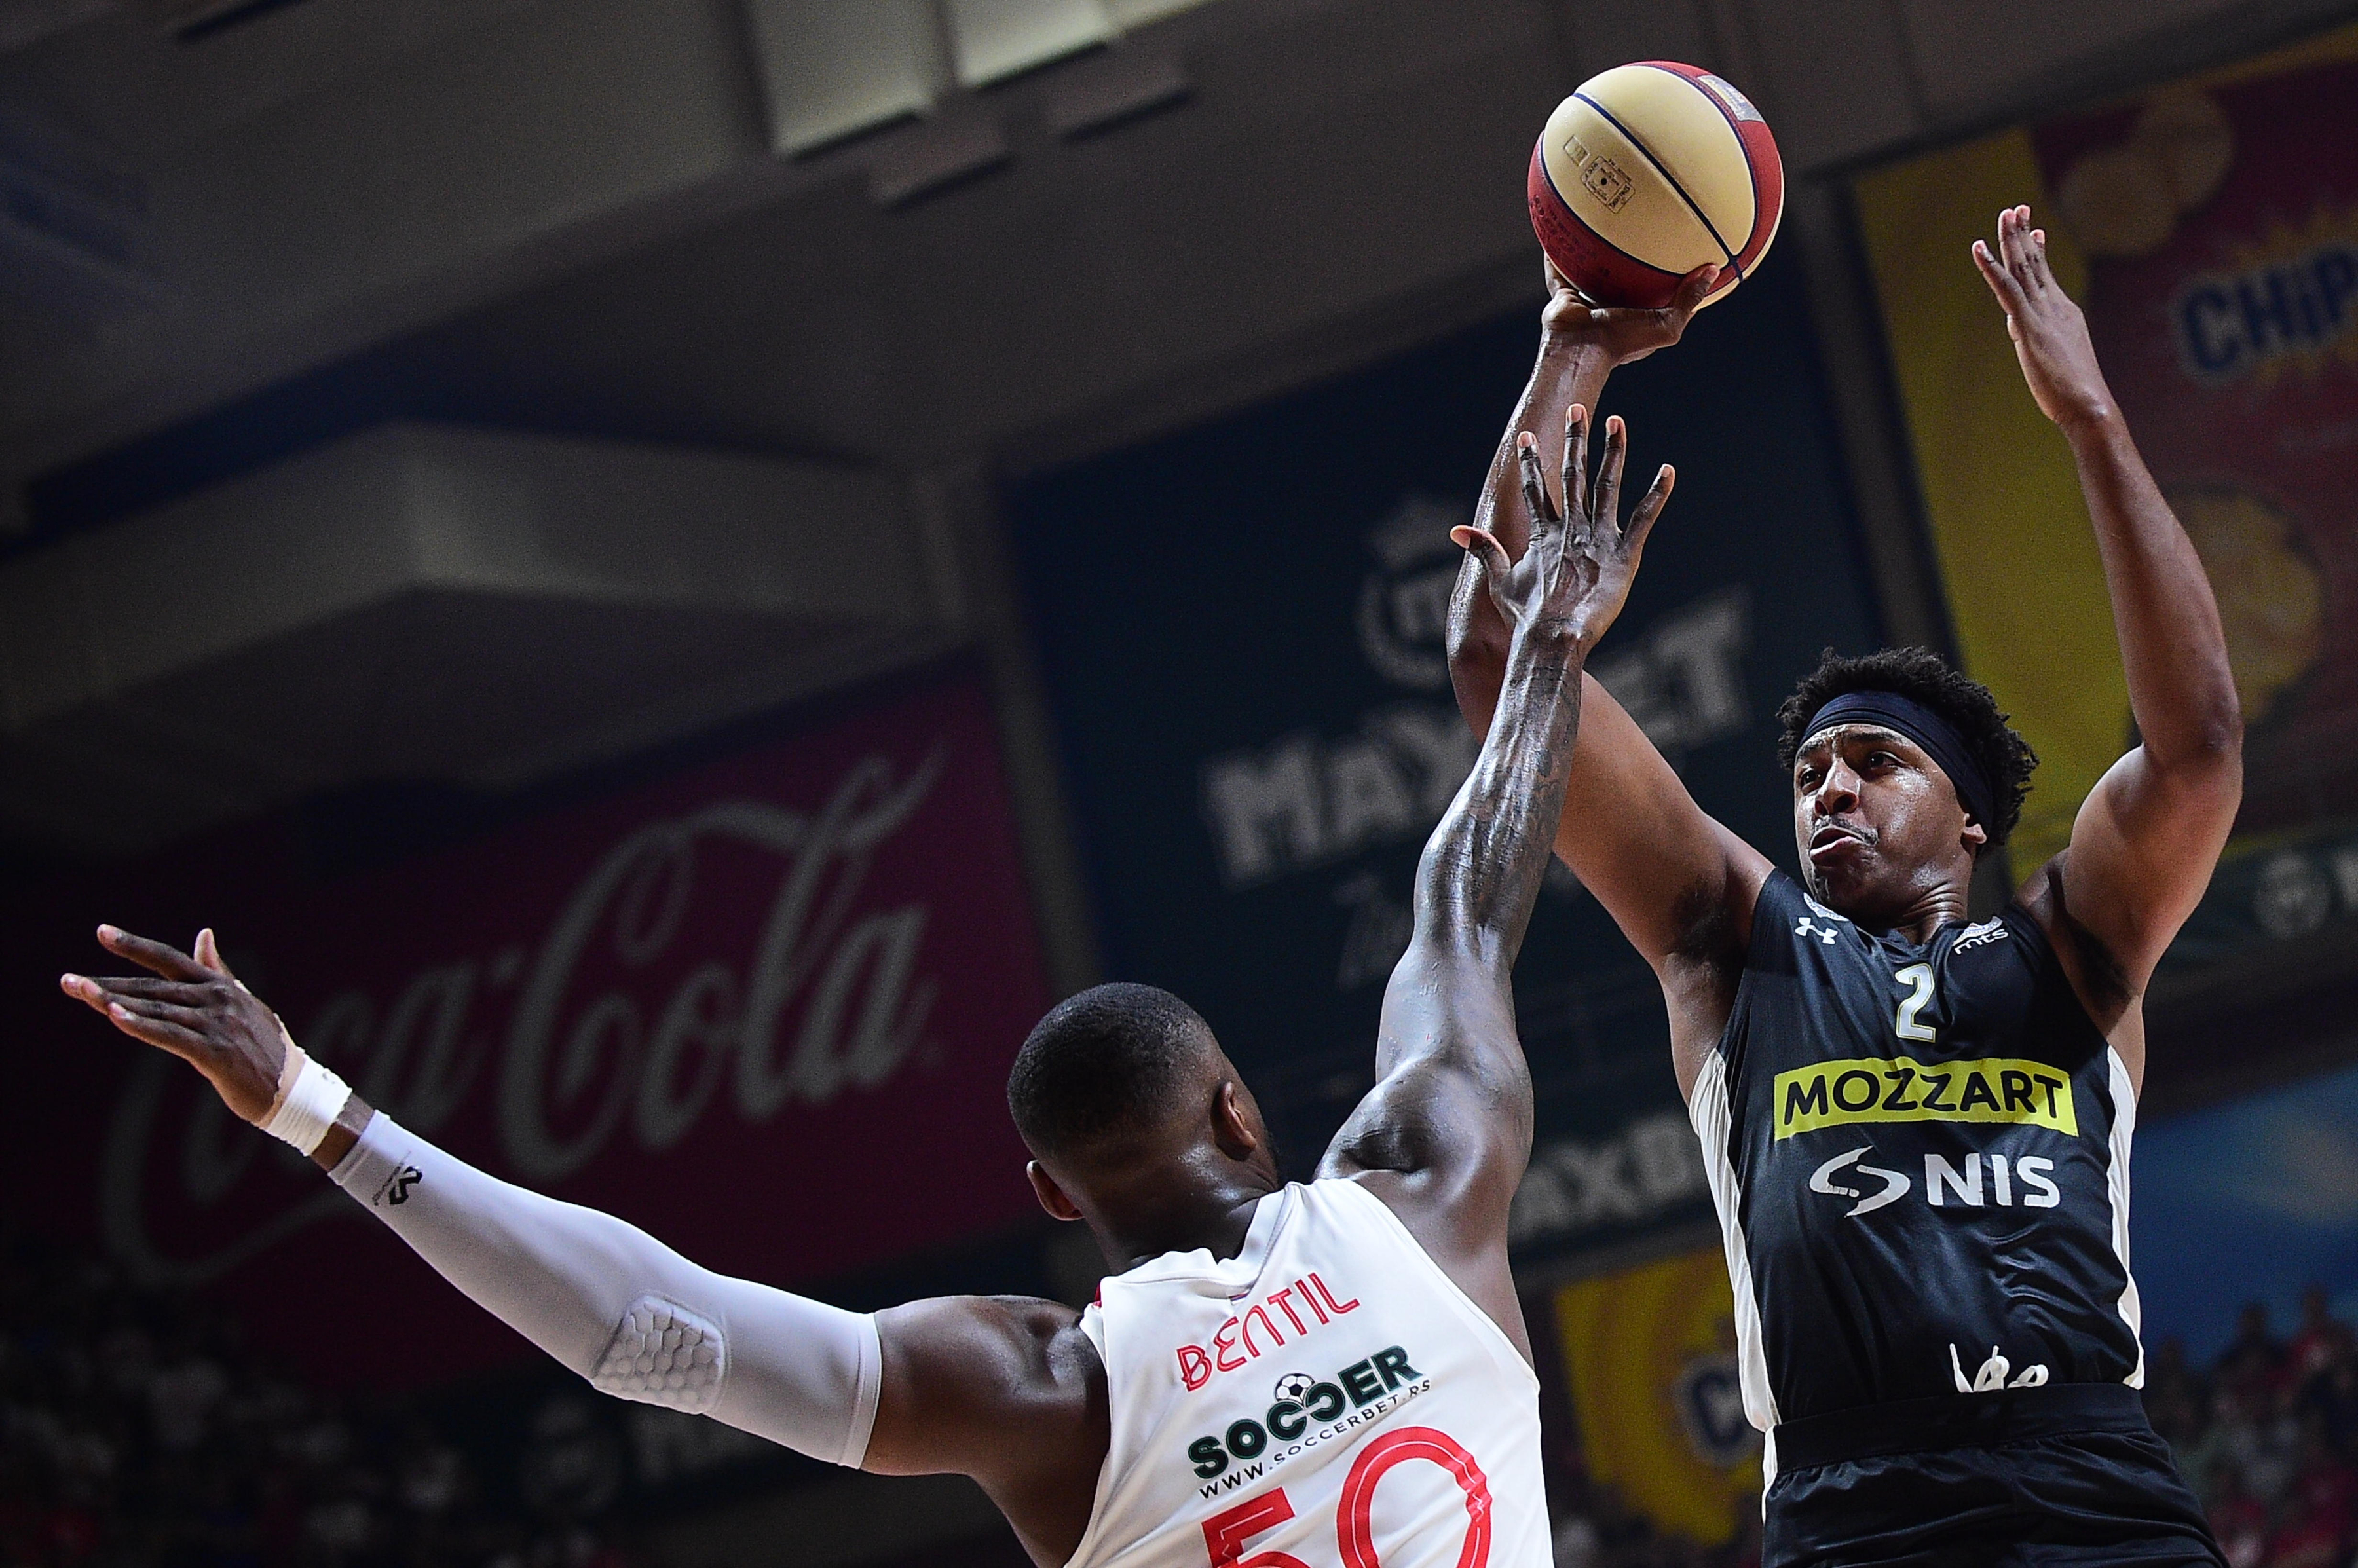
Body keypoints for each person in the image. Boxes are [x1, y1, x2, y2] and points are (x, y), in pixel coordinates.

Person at [60, 399, 1675, 1568]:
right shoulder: (1421, 1195)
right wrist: (1544, 651)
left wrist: (311, 1109)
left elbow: (646, 1331)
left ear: (1049, 1191)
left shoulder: (1049, 1389)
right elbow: (1465, 894)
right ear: (1240, 1107)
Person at [1448, 206, 2242, 1565]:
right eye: (1811, 769)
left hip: (2095, 1488)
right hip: (1852, 1511)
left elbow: (2198, 750)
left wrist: (2096, 423)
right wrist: (1571, 348)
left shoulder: (2076, 952)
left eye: (1874, 763)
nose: (1828, 790)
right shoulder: (1736, 944)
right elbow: (1494, 661)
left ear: (1973, 816)